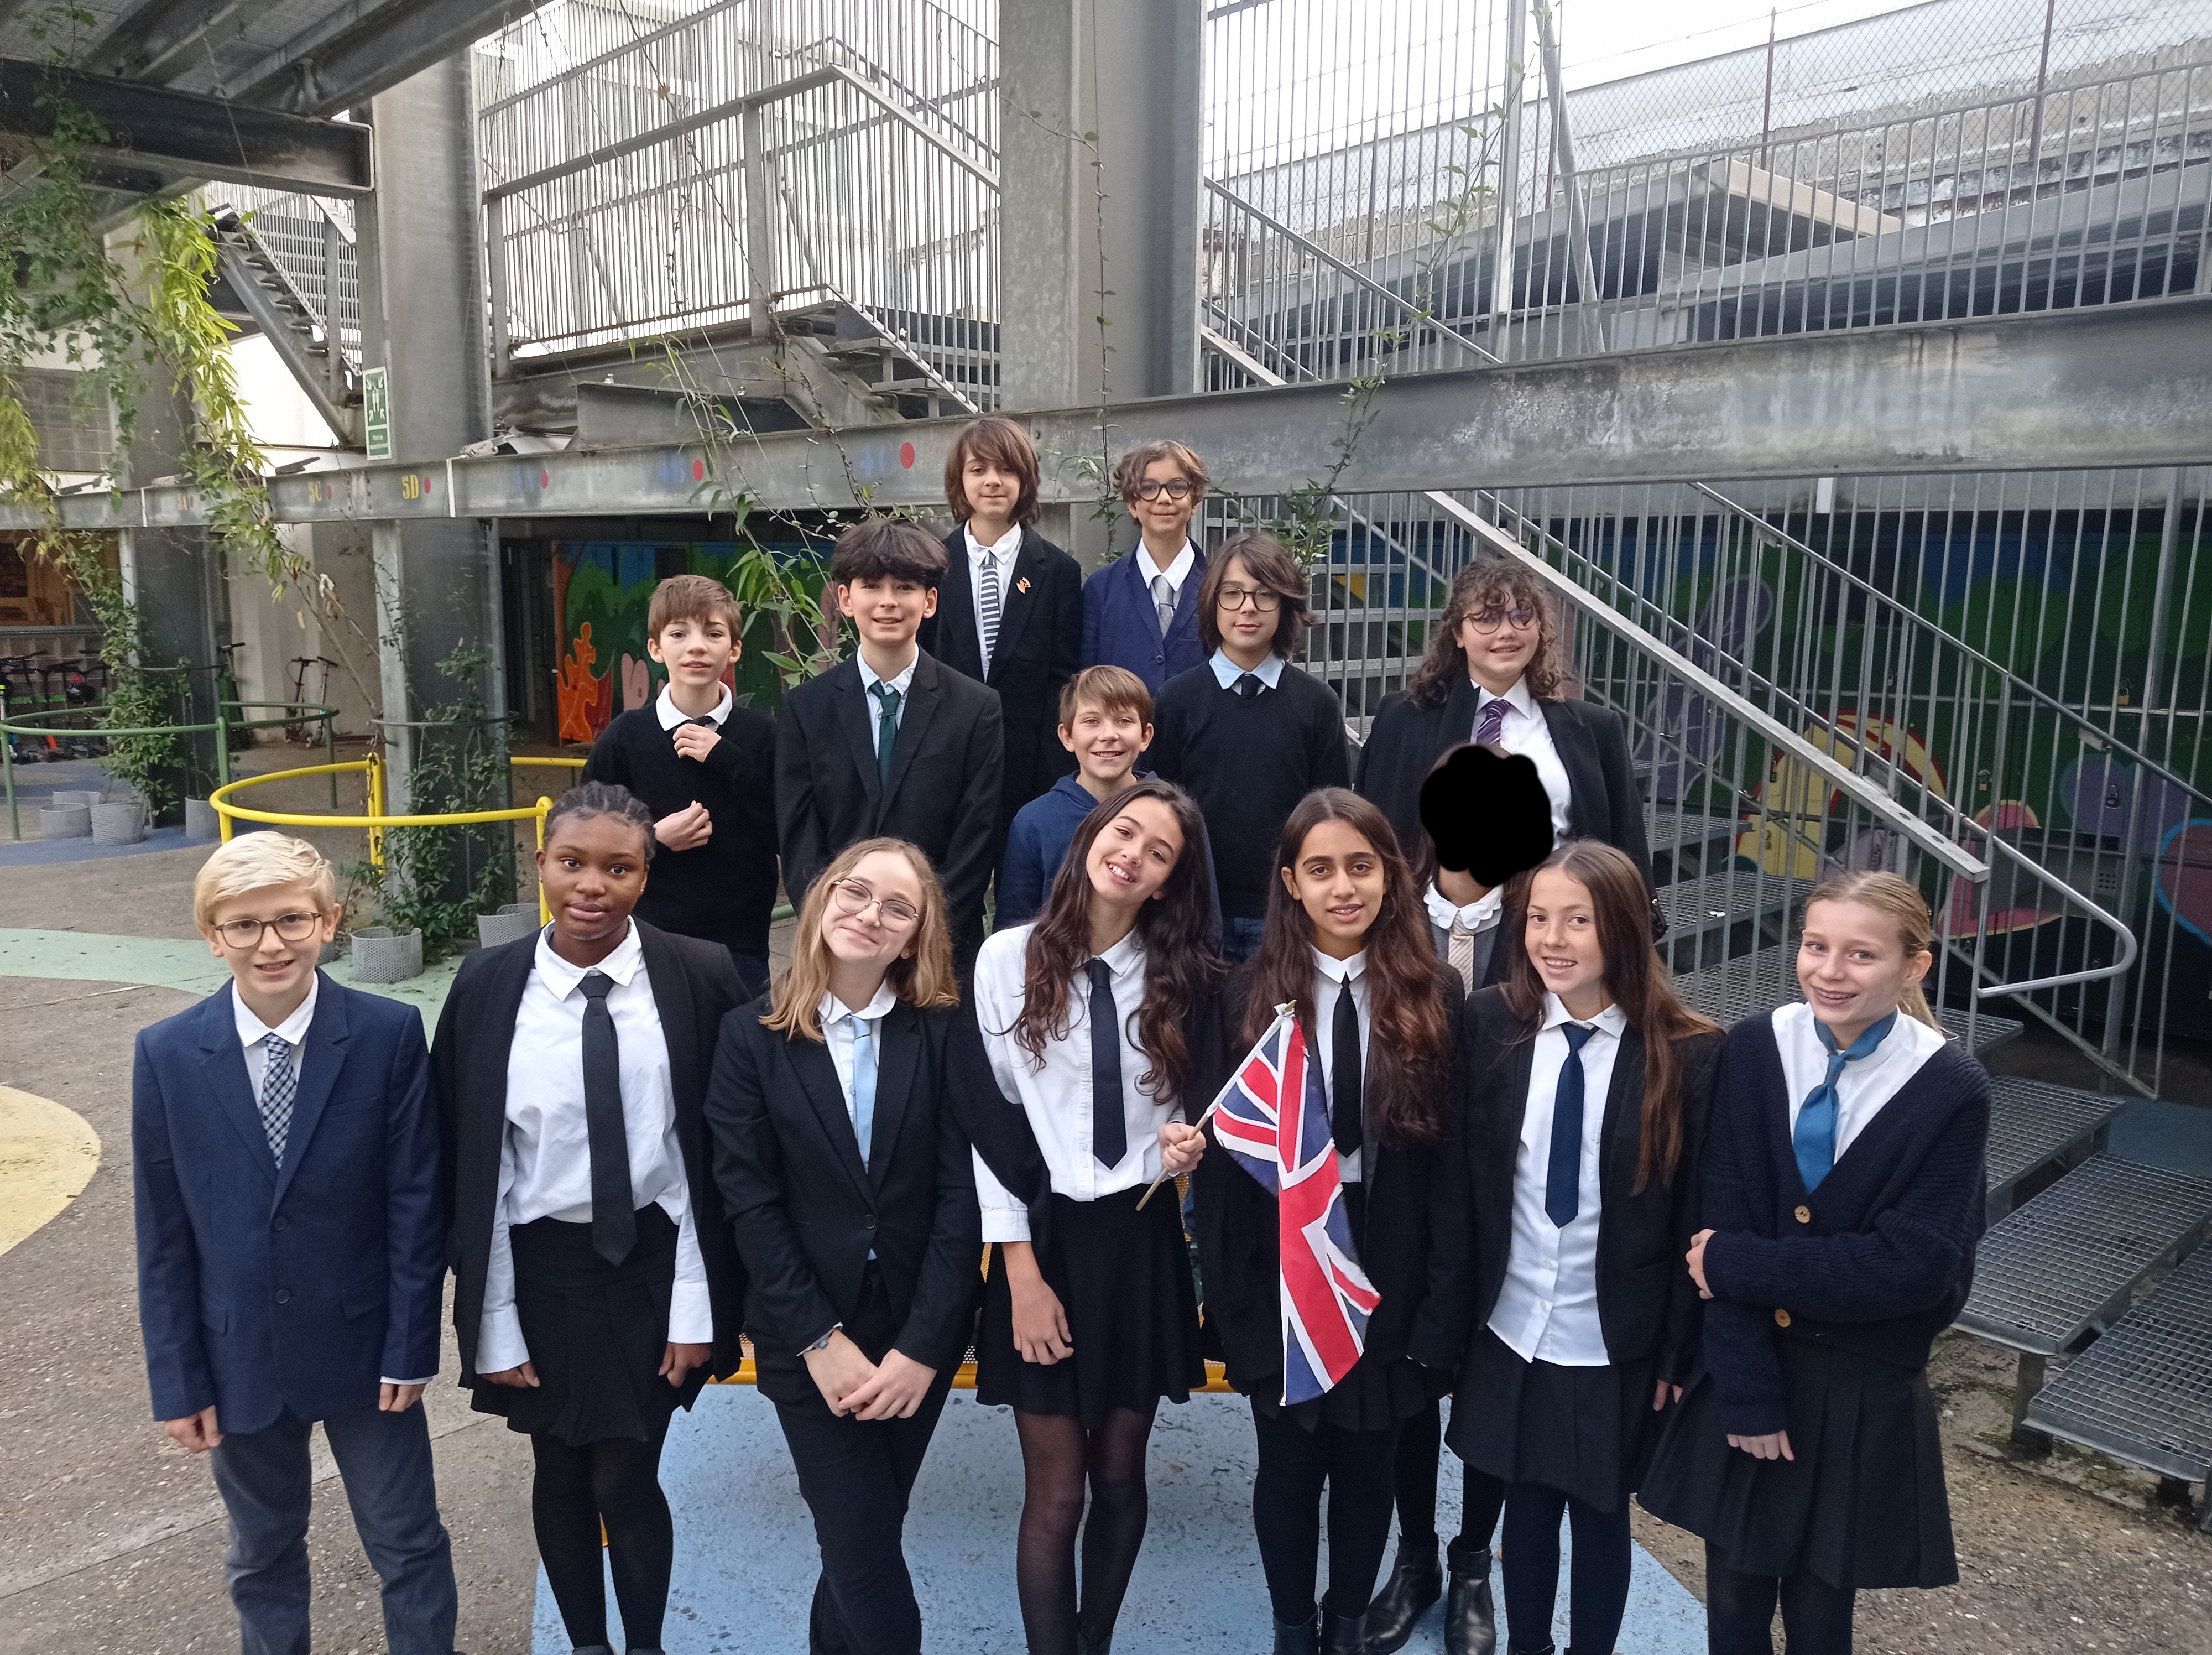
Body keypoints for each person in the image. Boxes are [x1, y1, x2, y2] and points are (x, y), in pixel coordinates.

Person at [434, 782, 751, 1655]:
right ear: (541, 863)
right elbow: (469, 1161)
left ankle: (643, 1645)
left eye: (619, 869)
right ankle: (586, 1645)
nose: (592, 887)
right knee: (560, 1466)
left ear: (647, 875)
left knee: (627, 1471)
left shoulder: (700, 975)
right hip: (541, 1269)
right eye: (572, 863)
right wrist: (492, 1319)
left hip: (655, 1262)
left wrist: (699, 1308)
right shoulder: (488, 985)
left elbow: (718, 1157)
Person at [1640, 871, 1989, 1655]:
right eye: (1814, 946)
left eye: (1861, 954)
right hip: (1749, 1365)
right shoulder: (1755, 1047)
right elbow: (1720, 1212)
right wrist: (1748, 1393)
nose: (1830, 971)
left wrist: (1736, 1265)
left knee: (1821, 1612)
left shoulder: (1950, 1087)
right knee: (1732, 1603)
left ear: (1914, 966)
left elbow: (1914, 1269)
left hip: (1858, 1385)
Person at [133, 832, 457, 1655]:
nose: (270, 943)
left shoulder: (387, 1034)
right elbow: (162, 1233)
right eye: (244, 925)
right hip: (236, 1353)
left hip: (366, 1348)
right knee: (262, 1552)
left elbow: (415, 1204)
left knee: (408, 1542)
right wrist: (178, 1378)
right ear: (212, 935)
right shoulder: (167, 1054)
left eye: (290, 920)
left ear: (330, 921)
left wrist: (411, 1345)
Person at [1182, 788, 1464, 1655]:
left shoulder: (1437, 993)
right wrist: (1237, 1308)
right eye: (1321, 869)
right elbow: (1221, 1174)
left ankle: (1345, 1629)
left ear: (1390, 875)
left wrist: (1437, 1313)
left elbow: (1453, 1172)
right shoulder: (1239, 998)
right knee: (1290, 1467)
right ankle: (1293, 1631)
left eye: (1361, 866)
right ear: (1290, 883)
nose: (1343, 887)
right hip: (1284, 1268)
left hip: (1387, 1267)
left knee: (1370, 1465)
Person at [1424, 841, 1722, 1655]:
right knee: (1525, 1502)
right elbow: (1463, 1187)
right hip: (1513, 1324)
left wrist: (1675, 1352)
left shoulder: (1688, 1052)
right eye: (1538, 918)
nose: (1552, 940)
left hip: (1613, 1337)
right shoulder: (1490, 1022)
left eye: (1578, 921)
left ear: (1623, 928)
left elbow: (1689, 1216)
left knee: (1599, 1513)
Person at [957, 779, 1219, 1655]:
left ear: (1170, 881)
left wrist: (1184, 1144)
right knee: (1058, 1491)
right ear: (1091, 834)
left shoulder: (1182, 975)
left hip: (1139, 1239)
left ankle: (1093, 1640)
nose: (1134, 855)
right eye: (1126, 832)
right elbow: (992, 1125)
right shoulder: (1007, 959)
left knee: (1119, 1476)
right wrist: (1020, 1274)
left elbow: (1184, 1109)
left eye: (1160, 852)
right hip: (1045, 1239)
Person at [706, 836, 980, 1655]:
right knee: (863, 1550)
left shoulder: (943, 1034)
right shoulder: (750, 1036)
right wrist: (818, 1340)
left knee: (864, 1532)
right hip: (807, 1333)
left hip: (913, 1332)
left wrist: (925, 1347)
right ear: (823, 899)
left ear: (916, 936)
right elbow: (750, 1201)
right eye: (856, 892)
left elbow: (959, 1197)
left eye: (898, 907)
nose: (871, 914)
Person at [777, 516, 1006, 970]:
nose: (888, 602)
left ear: (929, 601)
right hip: (836, 942)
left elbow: (978, 835)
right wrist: (834, 926)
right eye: (872, 586)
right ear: (846, 598)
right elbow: (799, 834)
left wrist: (921, 932)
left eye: (905, 587)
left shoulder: (975, 707)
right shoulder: (805, 708)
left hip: (937, 948)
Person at [1354, 560, 1650, 894]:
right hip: (1433, 916)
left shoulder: (1597, 728)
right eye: (1487, 619)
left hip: (1549, 914)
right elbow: (1374, 832)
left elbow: (1627, 847)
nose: (1507, 632)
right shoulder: (1403, 718)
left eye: (1522, 616)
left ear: (1540, 628)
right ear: (1458, 634)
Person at [1149, 529, 1352, 964]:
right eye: (1233, 593)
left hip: (1285, 912)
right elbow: (1159, 812)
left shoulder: (1317, 703)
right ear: (1212, 603)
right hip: (1197, 910)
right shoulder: (1176, 700)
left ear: (1286, 605)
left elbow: (1331, 815)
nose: (1248, 607)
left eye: (1265, 594)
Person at [583, 572, 779, 998]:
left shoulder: (764, 735)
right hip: (648, 941)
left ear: (735, 649)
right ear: (656, 648)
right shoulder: (624, 738)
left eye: (714, 633)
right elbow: (587, 844)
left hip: (742, 945)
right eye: (678, 634)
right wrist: (652, 840)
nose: (697, 646)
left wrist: (728, 759)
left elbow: (785, 830)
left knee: (740, 1039)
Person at [919, 414, 1086, 877]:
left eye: (1006, 469)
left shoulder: (1058, 571)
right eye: (978, 469)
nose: (993, 481)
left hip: (1029, 768)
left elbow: (1063, 679)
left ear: (1026, 480)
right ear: (960, 480)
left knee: (1028, 895)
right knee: (951, 893)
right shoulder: (931, 566)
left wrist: (1054, 773)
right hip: (949, 763)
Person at [999, 664, 1224, 940]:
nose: (1108, 735)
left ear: (1145, 736)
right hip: (1055, 964)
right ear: (1067, 736)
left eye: (1123, 721)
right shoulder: (1034, 820)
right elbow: (1013, 930)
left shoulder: (1177, 818)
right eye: (1092, 721)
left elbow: (1204, 921)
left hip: (1156, 964)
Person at [1079, 439, 1211, 693]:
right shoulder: (1101, 589)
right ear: (1132, 504)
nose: (1164, 499)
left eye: (1177, 487)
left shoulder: (1219, 587)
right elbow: (1086, 681)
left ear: (1195, 501)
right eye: (1149, 488)